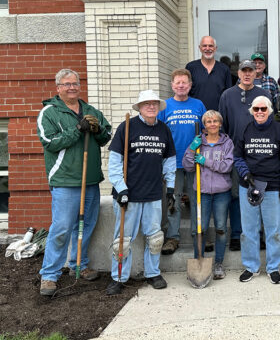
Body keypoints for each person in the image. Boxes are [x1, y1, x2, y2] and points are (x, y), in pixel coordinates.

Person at [37, 69, 112, 296]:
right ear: (58, 87)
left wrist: (97, 130)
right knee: (61, 228)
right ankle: (50, 275)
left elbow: (106, 136)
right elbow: (49, 142)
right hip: (65, 180)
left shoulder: (90, 111)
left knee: (86, 225)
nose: (72, 88)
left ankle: (78, 263)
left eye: (75, 84)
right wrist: (77, 129)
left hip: (90, 179)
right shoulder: (49, 112)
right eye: (67, 84)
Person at [106, 90, 176, 295]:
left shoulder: (164, 129)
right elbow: (114, 163)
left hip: (154, 193)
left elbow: (169, 162)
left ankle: (153, 273)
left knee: (155, 238)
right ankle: (118, 277)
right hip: (128, 194)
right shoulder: (127, 127)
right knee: (123, 241)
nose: (151, 107)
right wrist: (121, 189)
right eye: (147, 104)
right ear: (140, 107)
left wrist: (170, 188)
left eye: (154, 103)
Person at [234, 96, 280, 284]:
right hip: (249, 186)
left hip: (273, 186)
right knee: (248, 230)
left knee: (273, 230)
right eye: (256, 109)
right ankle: (251, 266)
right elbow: (238, 157)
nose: (260, 112)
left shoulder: (278, 130)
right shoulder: (245, 129)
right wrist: (245, 174)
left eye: (263, 109)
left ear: (269, 110)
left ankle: (273, 267)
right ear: (252, 111)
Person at [218, 60, 271, 251]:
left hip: (259, 152)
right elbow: (222, 126)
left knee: (260, 193)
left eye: (251, 71)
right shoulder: (227, 95)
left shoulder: (263, 94)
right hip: (235, 153)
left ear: (256, 73)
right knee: (236, 196)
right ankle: (236, 235)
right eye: (244, 71)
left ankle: (259, 234)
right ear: (238, 73)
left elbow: (269, 123)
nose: (247, 74)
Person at [158, 69, 206, 255]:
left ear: (190, 85)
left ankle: (199, 234)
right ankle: (172, 237)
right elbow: (160, 133)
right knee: (173, 200)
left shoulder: (198, 105)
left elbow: (205, 130)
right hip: (172, 162)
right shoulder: (165, 106)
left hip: (194, 162)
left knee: (197, 200)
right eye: (177, 83)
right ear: (172, 85)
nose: (181, 86)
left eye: (184, 82)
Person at [182, 110, 233, 280]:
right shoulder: (198, 144)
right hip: (201, 193)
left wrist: (208, 162)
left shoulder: (227, 143)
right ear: (204, 125)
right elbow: (188, 166)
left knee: (221, 228)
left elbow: (227, 166)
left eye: (215, 121)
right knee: (200, 229)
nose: (212, 124)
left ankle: (218, 263)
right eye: (208, 121)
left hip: (221, 193)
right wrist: (192, 148)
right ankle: (199, 259)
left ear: (220, 123)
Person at [186, 36, 232, 111]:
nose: (207, 48)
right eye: (204, 46)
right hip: (196, 113)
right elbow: (186, 92)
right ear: (199, 48)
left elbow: (228, 95)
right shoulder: (191, 67)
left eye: (210, 46)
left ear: (215, 48)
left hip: (217, 116)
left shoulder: (224, 69)